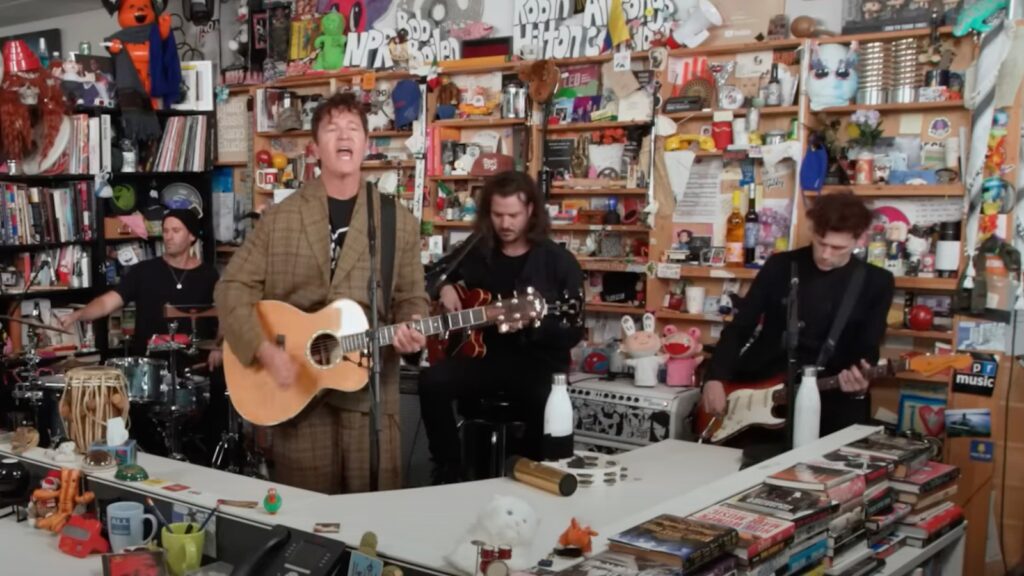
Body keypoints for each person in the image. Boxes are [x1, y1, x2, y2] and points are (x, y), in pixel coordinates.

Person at [215, 92, 429, 495]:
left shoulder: (396, 221)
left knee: (373, 529)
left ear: (367, 143)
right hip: (297, 400)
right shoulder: (280, 217)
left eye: (353, 128)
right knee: (307, 523)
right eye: (332, 129)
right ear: (315, 148)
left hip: (371, 405)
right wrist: (263, 350)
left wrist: (412, 327)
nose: (344, 136)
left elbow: (412, 299)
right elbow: (231, 287)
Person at [418, 171, 584, 483]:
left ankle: (535, 476)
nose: (505, 224)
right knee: (431, 381)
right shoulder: (477, 249)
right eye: (497, 215)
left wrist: (534, 325)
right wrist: (446, 287)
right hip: (485, 361)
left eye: (513, 215)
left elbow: (573, 329)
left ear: (531, 211)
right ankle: (449, 472)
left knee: (543, 399)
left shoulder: (558, 261)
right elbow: (432, 274)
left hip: (537, 364)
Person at [700, 192, 894, 440]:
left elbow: (868, 345)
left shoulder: (876, 282)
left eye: (838, 248)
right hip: (760, 392)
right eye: (820, 243)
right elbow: (741, 326)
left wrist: (859, 382)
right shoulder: (780, 265)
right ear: (812, 231)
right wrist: (716, 377)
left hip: (830, 398)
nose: (825, 254)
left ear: (861, 239)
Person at [60, 208, 222, 456]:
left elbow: (226, 315)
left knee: (212, 418)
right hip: (148, 369)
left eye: (175, 230)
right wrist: (78, 315)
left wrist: (220, 346)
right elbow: (107, 303)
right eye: (165, 231)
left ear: (192, 237)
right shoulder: (144, 272)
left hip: (195, 368)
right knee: (139, 427)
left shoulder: (209, 275)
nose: (168, 236)